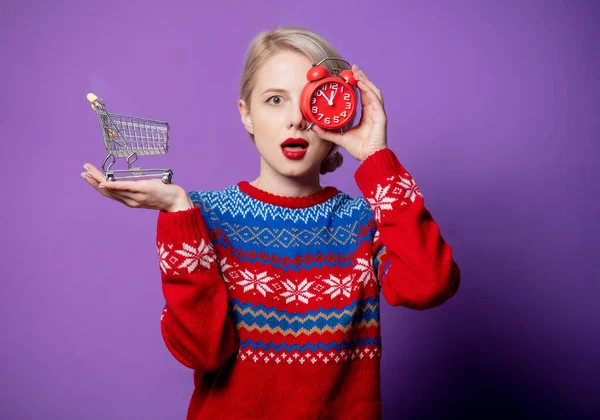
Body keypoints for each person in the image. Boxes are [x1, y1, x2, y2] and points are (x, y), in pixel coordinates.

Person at [81, 26, 460, 420]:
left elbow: (430, 285)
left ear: (338, 110)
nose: (295, 120)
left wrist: (376, 156)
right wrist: (179, 215)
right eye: (275, 100)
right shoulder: (202, 218)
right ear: (246, 114)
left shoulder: (364, 222)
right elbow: (200, 351)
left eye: (311, 101)